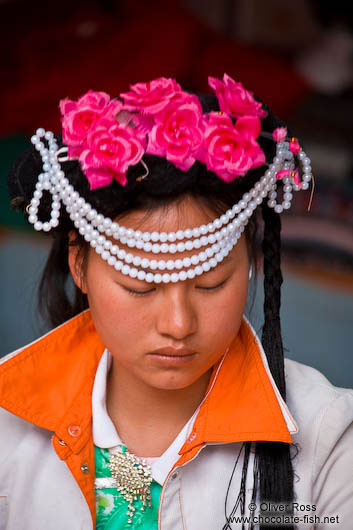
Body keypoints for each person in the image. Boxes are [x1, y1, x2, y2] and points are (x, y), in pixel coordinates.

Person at [1, 74, 352, 530]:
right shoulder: (7, 425)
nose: (178, 323)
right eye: (140, 287)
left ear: (250, 262)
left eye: (210, 285)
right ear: (80, 266)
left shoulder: (328, 438)